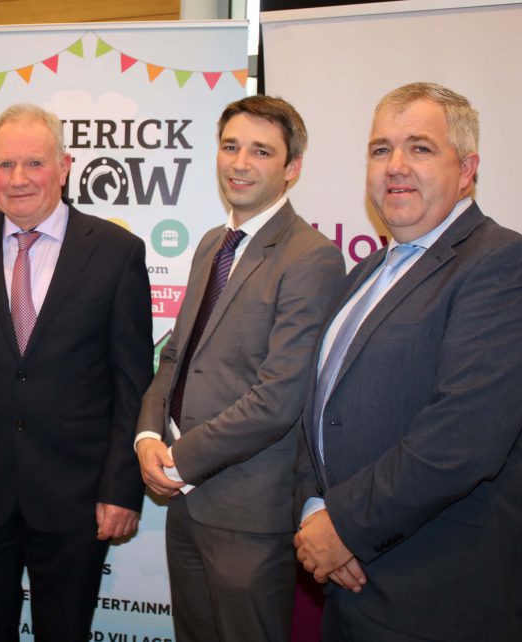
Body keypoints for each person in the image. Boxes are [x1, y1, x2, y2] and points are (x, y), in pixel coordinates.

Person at [293, 82, 522, 641]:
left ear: (467, 168)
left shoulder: (503, 263)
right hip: (353, 583)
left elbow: (462, 439)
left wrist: (345, 526)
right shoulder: (364, 274)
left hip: (441, 594)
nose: (395, 166)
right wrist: (313, 511)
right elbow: (319, 411)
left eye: (420, 148)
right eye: (381, 149)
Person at [0, 103, 153, 641]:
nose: (18, 179)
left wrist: (121, 485)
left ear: (64, 166)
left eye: (34, 164)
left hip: (77, 499)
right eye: (5, 165)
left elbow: (131, 381)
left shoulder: (117, 253)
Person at [135, 95, 344, 641]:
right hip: (185, 505)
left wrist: (179, 460)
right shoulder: (213, 243)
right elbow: (176, 354)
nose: (240, 163)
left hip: (248, 515)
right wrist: (148, 433)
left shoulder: (311, 257)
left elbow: (279, 398)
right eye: (230, 147)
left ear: (291, 168)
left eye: (261, 151)